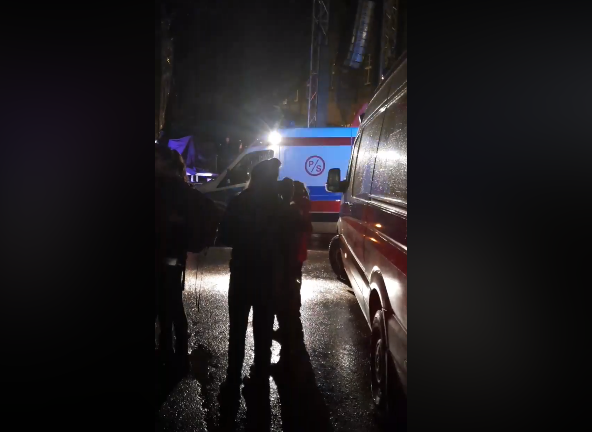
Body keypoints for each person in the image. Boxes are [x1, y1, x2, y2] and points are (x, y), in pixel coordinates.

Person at [217, 158, 283, 403]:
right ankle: (260, 379)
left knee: (237, 329)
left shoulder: (240, 201)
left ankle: (232, 380)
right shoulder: (279, 204)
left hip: (243, 272)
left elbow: (225, 236)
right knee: (263, 329)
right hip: (268, 274)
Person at [155, 144, 220, 368]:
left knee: (169, 302)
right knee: (170, 302)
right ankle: (174, 349)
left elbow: (207, 210)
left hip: (168, 257)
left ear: (166, 163)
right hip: (173, 257)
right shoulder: (177, 188)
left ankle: (173, 349)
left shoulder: (170, 188)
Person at [274, 180, 312, 367]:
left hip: (289, 258)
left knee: (286, 293)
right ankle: (291, 324)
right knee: (294, 289)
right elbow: (308, 229)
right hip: (298, 255)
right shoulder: (301, 206)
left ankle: (288, 334)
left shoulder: (291, 209)